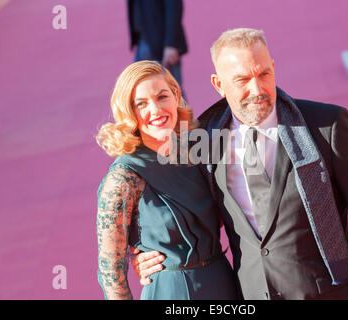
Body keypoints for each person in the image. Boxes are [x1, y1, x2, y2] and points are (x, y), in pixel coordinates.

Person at [131, 28, 348, 300]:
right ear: (219, 84)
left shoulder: (325, 126)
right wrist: (143, 254)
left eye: (263, 73)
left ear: (273, 68)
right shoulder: (204, 140)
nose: (257, 89)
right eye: (242, 80)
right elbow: (175, 211)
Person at [95, 60, 240, 300]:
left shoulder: (197, 151)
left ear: (176, 95)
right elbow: (111, 271)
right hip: (171, 292)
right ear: (129, 113)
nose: (156, 110)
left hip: (223, 283)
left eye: (162, 96)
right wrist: (136, 255)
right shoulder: (123, 178)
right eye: (141, 104)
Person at [127, 0, 188, 88]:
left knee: (174, 92)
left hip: (161, 46)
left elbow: (173, 6)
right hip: (143, 42)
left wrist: (171, 44)